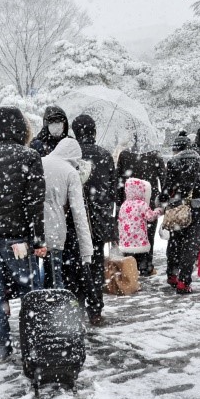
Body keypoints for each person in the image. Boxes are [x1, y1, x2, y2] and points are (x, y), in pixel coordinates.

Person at [0, 107, 46, 360]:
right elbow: (35, 203)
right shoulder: (30, 157)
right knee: (28, 291)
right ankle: (31, 343)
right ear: (23, 129)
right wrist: (38, 240)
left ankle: (0, 346)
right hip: (19, 238)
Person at [161, 132, 200, 294]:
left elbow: (166, 190)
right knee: (191, 245)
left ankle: (172, 274)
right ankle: (184, 282)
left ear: (177, 149)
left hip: (177, 209)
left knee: (175, 242)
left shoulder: (172, 163)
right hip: (199, 209)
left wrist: (164, 202)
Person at [41, 138, 94, 297]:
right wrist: (86, 251)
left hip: (33, 229)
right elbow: (79, 213)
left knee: (34, 278)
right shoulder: (70, 172)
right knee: (56, 279)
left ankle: (36, 310)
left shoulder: (39, 161)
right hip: (55, 231)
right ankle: (57, 313)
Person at [71, 115, 117, 297]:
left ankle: (80, 301)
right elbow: (113, 189)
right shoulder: (105, 155)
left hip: (76, 218)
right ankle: (96, 305)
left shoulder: (72, 156)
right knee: (97, 262)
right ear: (94, 131)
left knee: (77, 262)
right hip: (99, 219)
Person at [118, 177, 162, 276]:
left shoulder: (124, 205)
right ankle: (144, 270)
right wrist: (158, 211)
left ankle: (130, 275)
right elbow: (150, 217)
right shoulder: (142, 204)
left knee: (129, 259)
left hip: (126, 239)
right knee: (142, 256)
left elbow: (120, 220)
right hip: (139, 238)